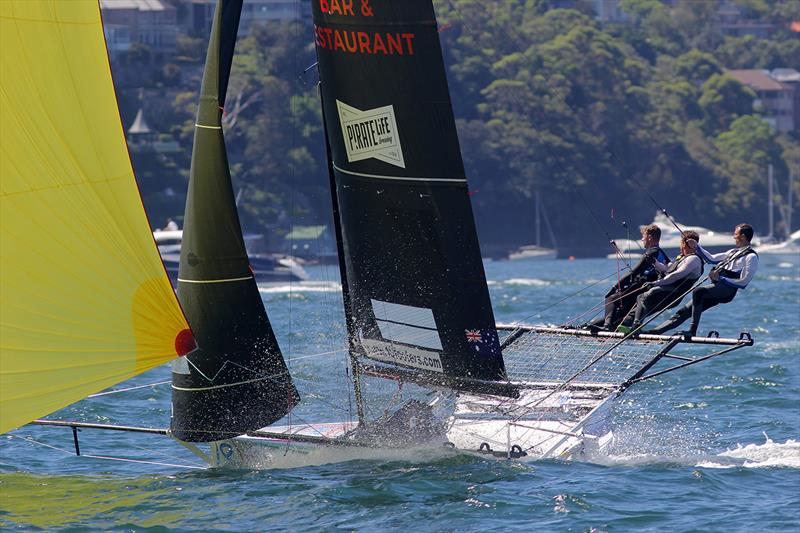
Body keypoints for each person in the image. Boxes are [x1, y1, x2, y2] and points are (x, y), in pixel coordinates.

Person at [648, 223, 759, 337]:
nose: (733, 237)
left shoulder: (751, 257)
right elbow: (711, 259)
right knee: (685, 311)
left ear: (743, 236)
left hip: (727, 291)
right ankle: (655, 332)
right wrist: (696, 246)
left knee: (698, 292)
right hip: (716, 288)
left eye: (735, 234)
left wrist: (720, 278)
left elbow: (743, 282)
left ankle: (692, 331)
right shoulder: (733, 252)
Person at [586, 224, 670, 331]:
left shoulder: (651, 253)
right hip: (647, 289)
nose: (642, 239)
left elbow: (634, 273)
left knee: (611, 299)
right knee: (617, 315)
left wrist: (616, 286)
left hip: (642, 287)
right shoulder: (662, 253)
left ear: (649, 237)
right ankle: (585, 327)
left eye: (643, 237)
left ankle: (607, 327)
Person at [616, 231, 702, 333]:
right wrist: (654, 262)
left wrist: (655, 283)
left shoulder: (693, 259)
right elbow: (667, 269)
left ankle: (636, 326)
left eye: (681, 242)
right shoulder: (682, 258)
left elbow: (676, 275)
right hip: (666, 291)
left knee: (642, 297)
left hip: (672, 293)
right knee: (640, 306)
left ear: (684, 243)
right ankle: (621, 327)